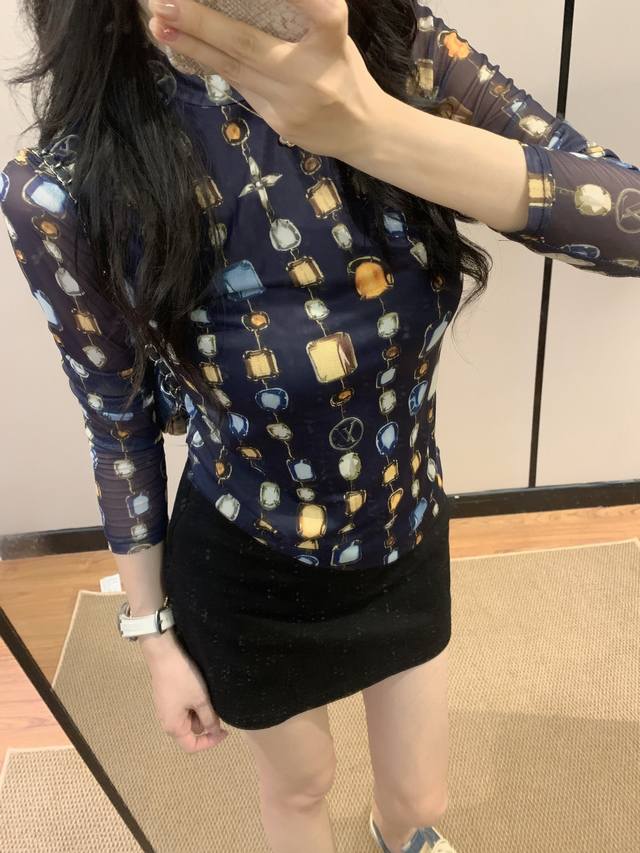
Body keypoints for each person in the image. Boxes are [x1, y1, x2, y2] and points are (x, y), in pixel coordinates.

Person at [2, 2, 638, 852]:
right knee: (301, 784)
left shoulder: (398, 49)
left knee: (421, 795)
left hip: (405, 524)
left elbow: (628, 221)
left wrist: (370, 126)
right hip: (249, 568)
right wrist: (152, 634)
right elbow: (117, 424)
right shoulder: (63, 185)